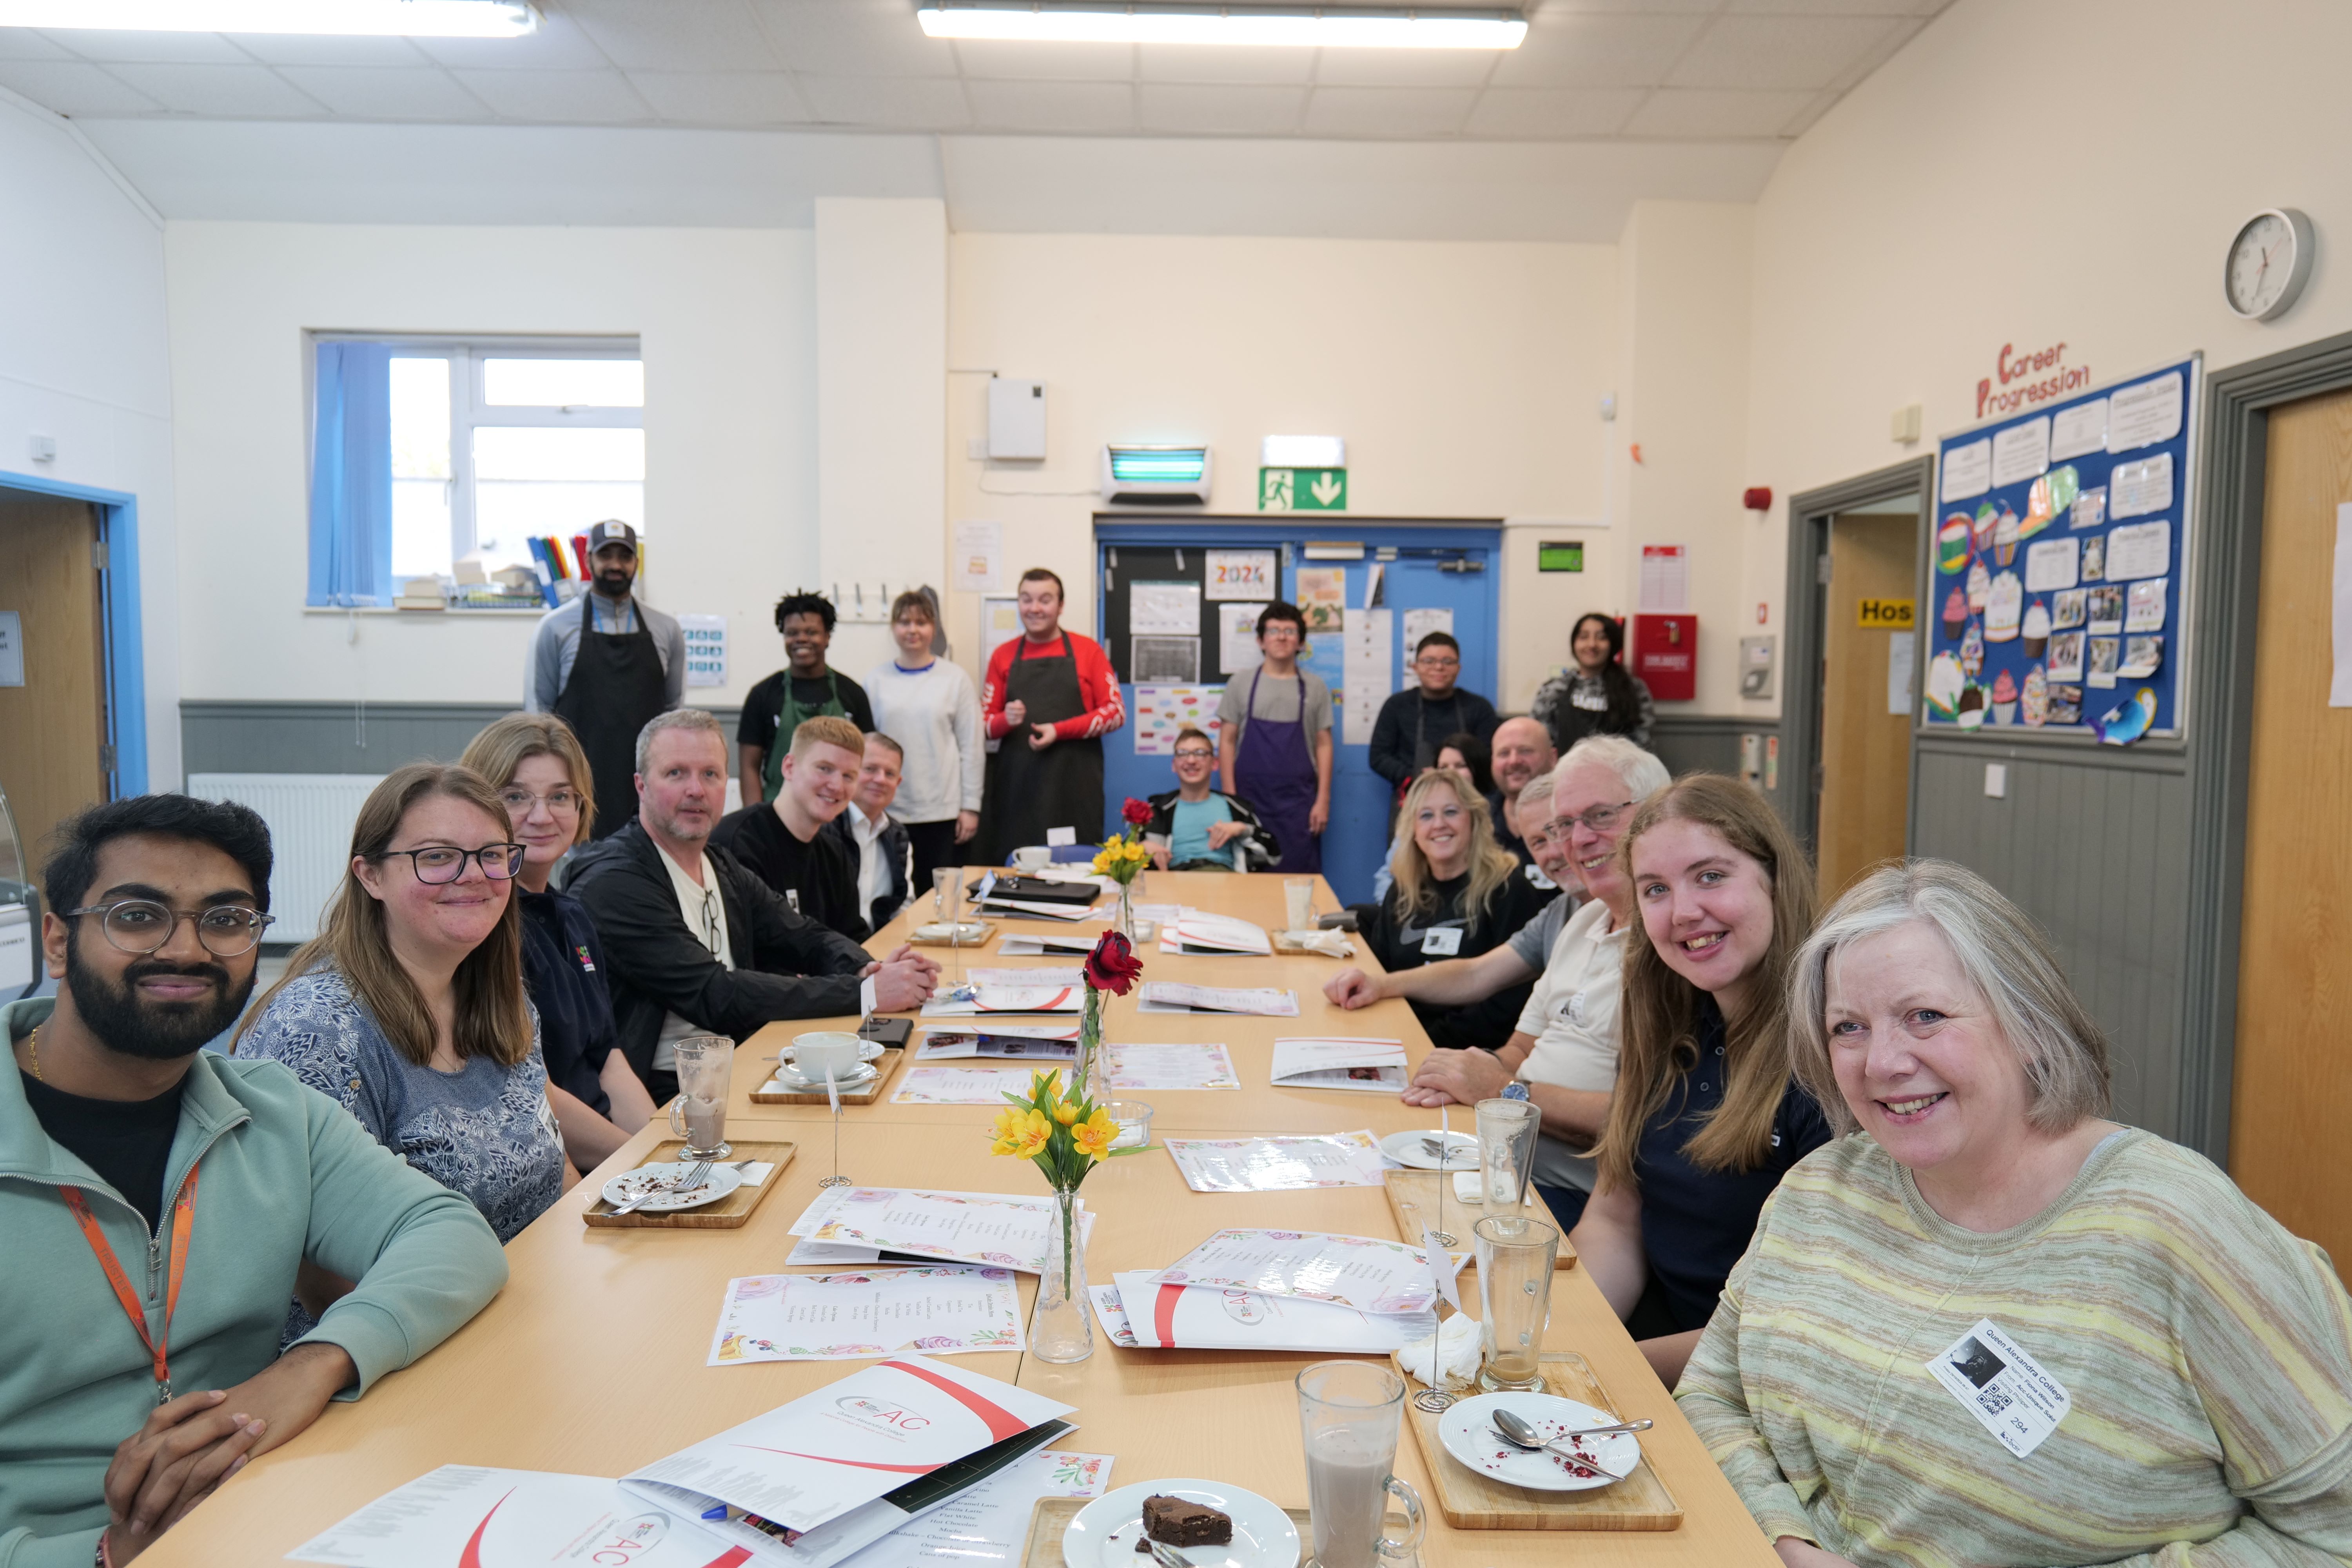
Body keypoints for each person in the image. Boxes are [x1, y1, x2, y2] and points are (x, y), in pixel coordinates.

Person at [1681, 860, 2352, 1568]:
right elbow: (1712, 1392)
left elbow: (2334, 1532)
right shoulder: (1821, 1192)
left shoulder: (2179, 1228)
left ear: (2029, 1025)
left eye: (1926, 1017)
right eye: (1848, 1027)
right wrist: (1794, 1544)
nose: (1882, 1061)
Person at [0, 796, 505, 1568]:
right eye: (139, 915)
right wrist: (103, 1553)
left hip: (272, 1511)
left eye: (226, 919)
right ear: (60, 939)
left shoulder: (268, 1108)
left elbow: (451, 1235)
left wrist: (312, 1363)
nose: (186, 949)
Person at [238, 764, 572, 1254]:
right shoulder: (320, 1029)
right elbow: (324, 1266)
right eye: (437, 856)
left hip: (526, 1294)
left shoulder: (502, 997)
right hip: (405, 1323)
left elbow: (554, 1162)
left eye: (492, 855)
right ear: (370, 875)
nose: (474, 874)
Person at [1570, 773, 1831, 1389]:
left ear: (1773, 878)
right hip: (1658, 1344)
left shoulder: (1830, 1055)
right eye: (1656, 889)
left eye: (1711, 876)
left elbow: (1797, 1320)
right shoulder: (1667, 1021)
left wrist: (1604, 1367)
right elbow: (1615, 1217)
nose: (1684, 912)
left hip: (1755, 1379)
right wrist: (1562, 1334)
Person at [564, 709, 938, 1103]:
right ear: (641, 785)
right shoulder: (615, 881)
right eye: (676, 773)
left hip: (740, 1064)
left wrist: (869, 967)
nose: (697, 789)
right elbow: (716, 994)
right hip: (663, 1091)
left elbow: (802, 934)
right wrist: (867, 991)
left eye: (710, 774)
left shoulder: (719, 863)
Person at [1393, 738, 1672, 1231]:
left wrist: (1504, 1091)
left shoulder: (1675, 944)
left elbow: (1648, 1121)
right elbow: (1522, 1045)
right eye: (1563, 826)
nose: (1575, 841)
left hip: (1568, 1192)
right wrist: (1465, 1076)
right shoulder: (1582, 919)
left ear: (1656, 814)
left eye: (1601, 816)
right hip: (1502, 1160)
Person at [459, 712, 657, 1173]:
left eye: (560, 796)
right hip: (554, 1166)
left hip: (609, 1157)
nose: (542, 816)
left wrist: (668, 1148)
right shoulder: (483, 929)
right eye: (516, 796)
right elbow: (534, 1094)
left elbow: (609, 1060)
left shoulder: (573, 916)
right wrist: (643, 1163)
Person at [1325, 771, 1578, 1024]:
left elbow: (1506, 997)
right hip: (1402, 1029)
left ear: (1474, 820)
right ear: (1412, 830)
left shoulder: (1508, 888)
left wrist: (1433, 1039)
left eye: (1451, 812)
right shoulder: (1402, 891)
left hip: (1468, 1043)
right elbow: (1380, 975)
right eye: (1426, 815)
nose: (1439, 824)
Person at [523, 520, 688, 838]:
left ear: (636, 563)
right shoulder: (555, 629)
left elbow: (673, 713)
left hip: (646, 785)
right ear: (588, 561)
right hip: (579, 784)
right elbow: (538, 716)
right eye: (605, 555)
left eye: (624, 557)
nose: (615, 565)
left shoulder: (667, 630)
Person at [978, 568, 1125, 859]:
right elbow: (984, 725)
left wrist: (1059, 731)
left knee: (1073, 867)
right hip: (1017, 790)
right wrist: (1005, 720)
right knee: (1017, 868)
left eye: (1045, 600)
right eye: (1026, 600)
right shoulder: (1002, 656)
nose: (1035, 608)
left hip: (1073, 788)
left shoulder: (1088, 651)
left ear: (1061, 606)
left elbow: (1116, 713)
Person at [863, 589, 982, 888]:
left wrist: (970, 807)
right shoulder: (875, 681)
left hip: (941, 811)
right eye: (904, 622)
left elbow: (972, 747)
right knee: (890, 891)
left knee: (939, 896)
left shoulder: (955, 679)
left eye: (922, 623)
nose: (913, 630)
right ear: (893, 628)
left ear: (934, 629)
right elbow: (864, 749)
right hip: (887, 808)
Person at [708, 715, 866, 939]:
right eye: (824, 769)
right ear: (789, 767)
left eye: (849, 776)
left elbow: (854, 938)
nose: (837, 786)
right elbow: (747, 952)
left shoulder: (835, 853)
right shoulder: (737, 843)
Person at [1215, 602, 1332, 873]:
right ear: (1261, 640)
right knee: (1247, 882)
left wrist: (1323, 800)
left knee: (1300, 883)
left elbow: (1324, 744)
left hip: (1299, 806)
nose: (1282, 637)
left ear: (1301, 642)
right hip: (1249, 800)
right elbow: (1227, 741)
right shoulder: (1241, 684)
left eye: (1290, 631)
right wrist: (1231, 800)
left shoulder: (1315, 688)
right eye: (1274, 631)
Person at [738, 592, 875, 809]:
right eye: (792, 633)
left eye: (812, 632)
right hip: (778, 812)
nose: (801, 639)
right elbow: (749, 767)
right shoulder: (763, 694)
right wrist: (755, 821)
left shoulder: (852, 693)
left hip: (839, 812)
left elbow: (868, 761)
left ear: (827, 637)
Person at [1368, 632, 1498, 801]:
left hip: (1469, 799)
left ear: (1458, 668)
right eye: (1429, 661)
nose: (1438, 668)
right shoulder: (1397, 706)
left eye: (1447, 661)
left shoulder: (1479, 707)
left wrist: (1458, 775)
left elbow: (1490, 756)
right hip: (1413, 798)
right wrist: (1415, 778)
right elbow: (1378, 757)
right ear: (1416, 667)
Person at [1143, 727, 1280, 873]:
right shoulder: (1157, 810)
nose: (1191, 760)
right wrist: (1143, 847)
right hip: (1174, 882)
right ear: (1174, 765)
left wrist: (1242, 829)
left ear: (1215, 763)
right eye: (1183, 754)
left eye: (1200, 753)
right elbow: (1121, 859)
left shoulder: (1237, 808)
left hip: (1226, 881)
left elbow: (1275, 857)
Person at [827, 733, 915, 938]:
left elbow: (903, 907)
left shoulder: (898, 835)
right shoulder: (825, 829)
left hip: (880, 952)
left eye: (890, 774)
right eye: (870, 769)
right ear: (851, 772)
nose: (881, 780)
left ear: (898, 782)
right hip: (832, 956)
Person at [1531, 613, 1654, 752]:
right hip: (1562, 771)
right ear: (1574, 644)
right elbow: (1540, 740)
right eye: (1584, 637)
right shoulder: (1554, 689)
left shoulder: (1634, 689)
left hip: (1617, 771)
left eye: (1602, 638)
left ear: (1613, 645)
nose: (1592, 645)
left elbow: (1642, 743)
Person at [1486, 717, 1560, 876]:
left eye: (1525, 751)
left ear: (1553, 757)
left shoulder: (1575, 820)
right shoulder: (1477, 823)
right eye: (1504, 753)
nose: (1514, 761)